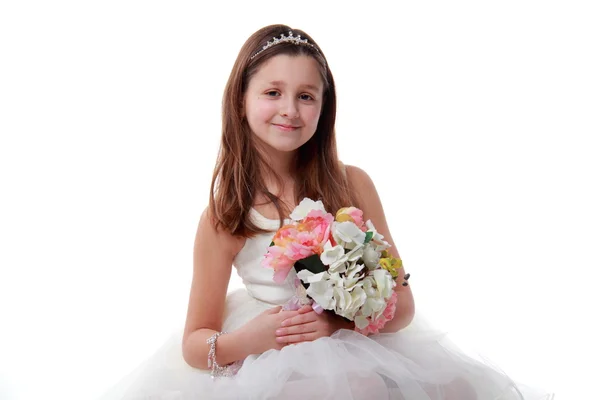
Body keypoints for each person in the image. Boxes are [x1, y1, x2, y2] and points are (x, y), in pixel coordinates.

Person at [98, 24, 553, 400]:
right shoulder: (227, 214)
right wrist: (249, 341)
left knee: (442, 387)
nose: (289, 110)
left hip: (357, 343)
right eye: (273, 92)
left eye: (306, 96)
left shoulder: (351, 184)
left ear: (324, 107)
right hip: (269, 356)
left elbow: (403, 303)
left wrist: (337, 321)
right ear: (241, 99)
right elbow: (195, 342)